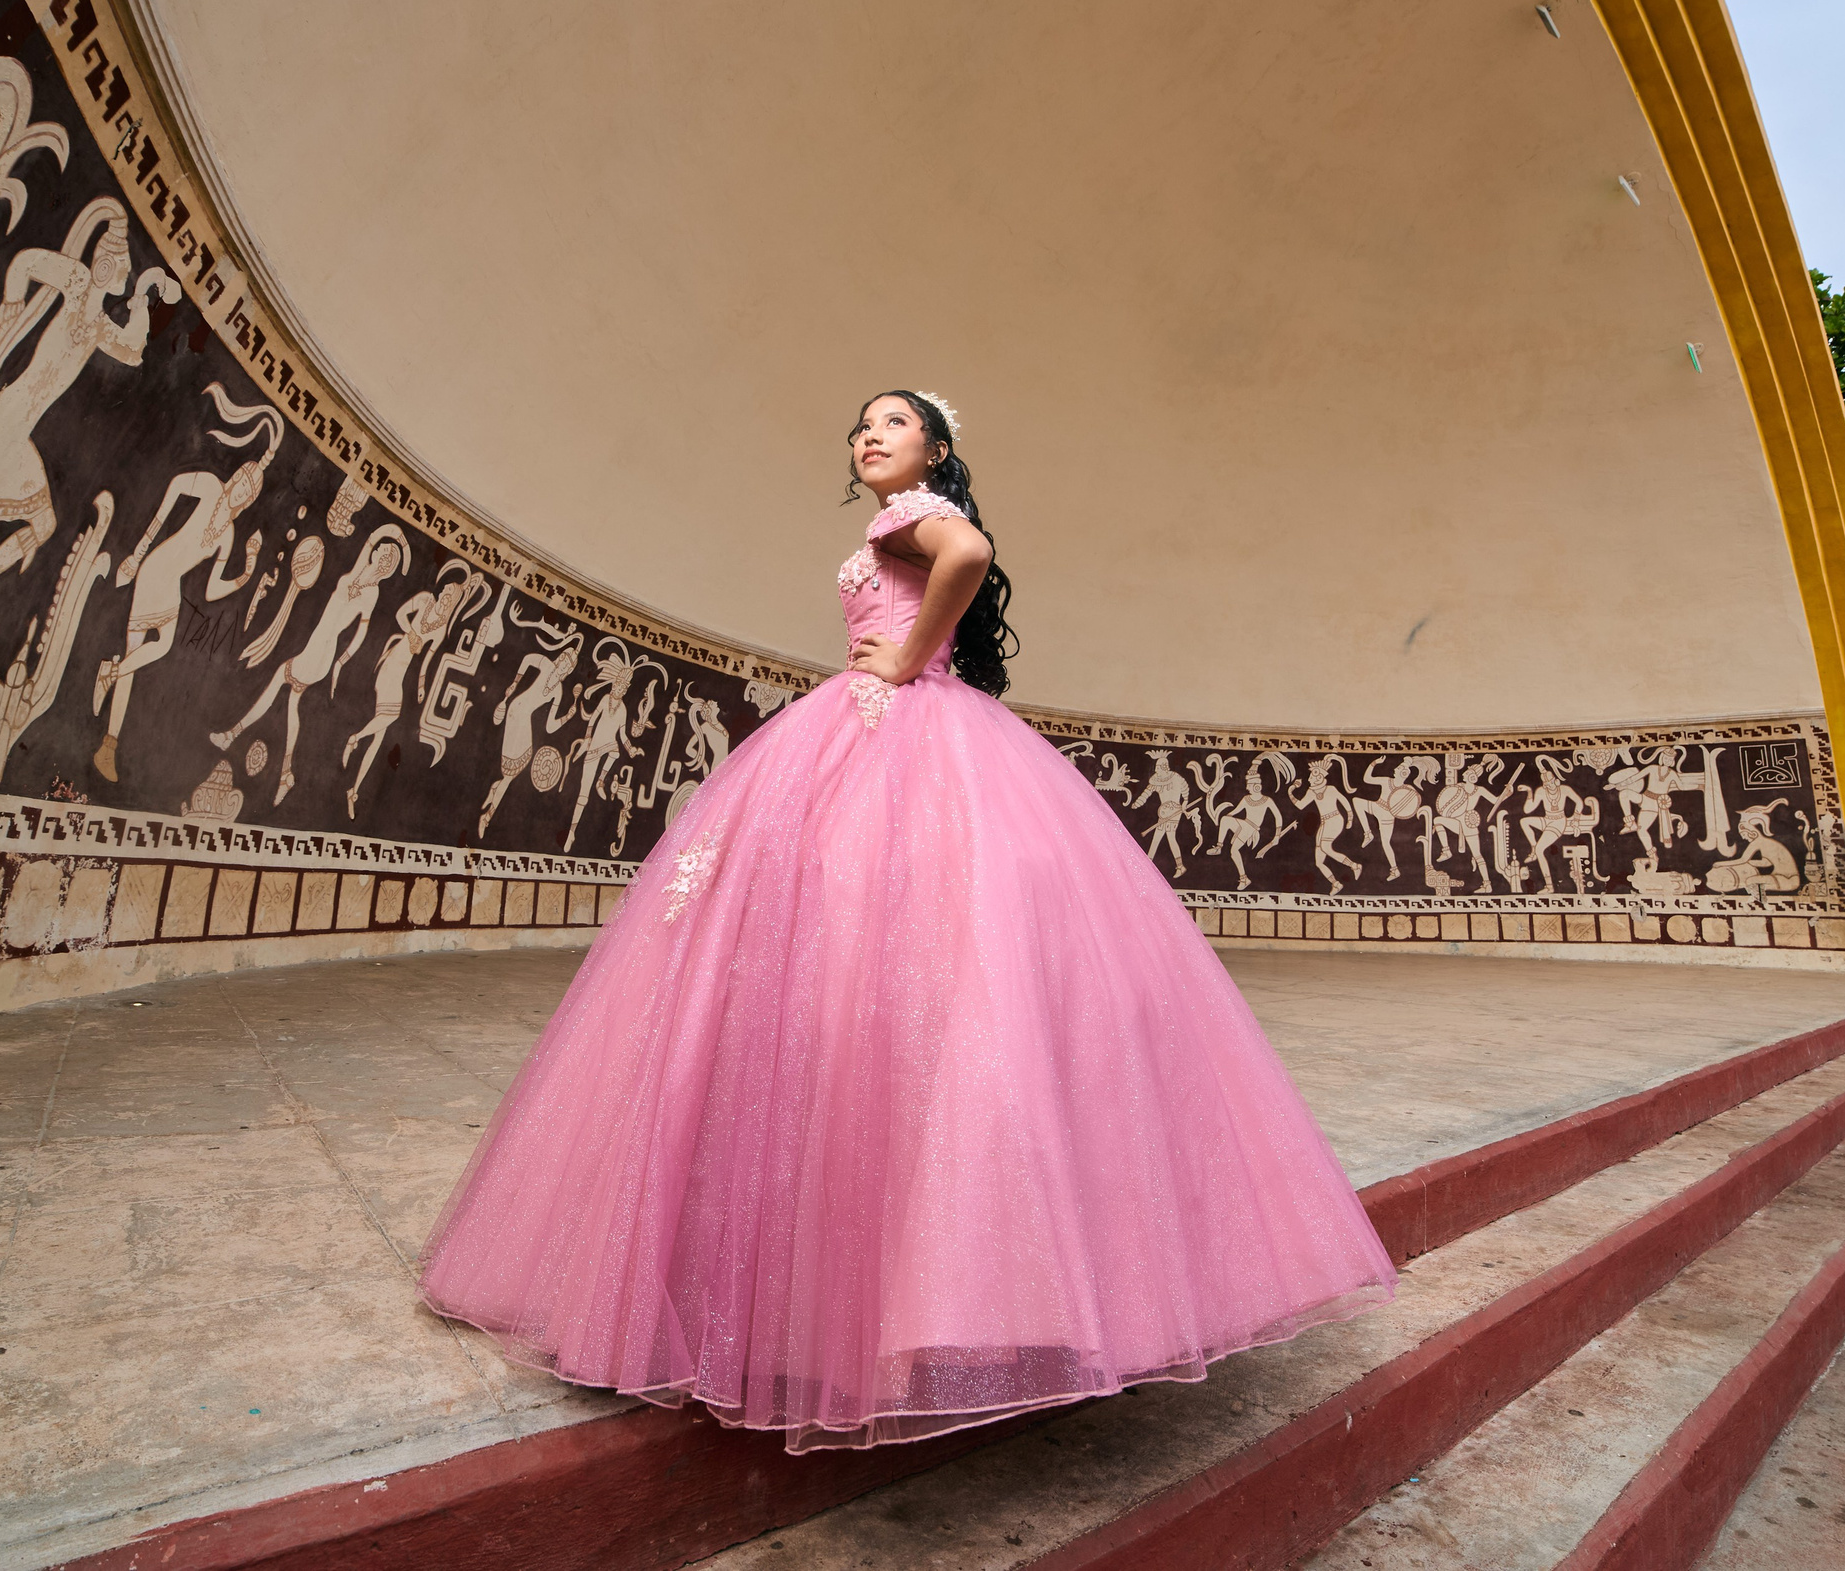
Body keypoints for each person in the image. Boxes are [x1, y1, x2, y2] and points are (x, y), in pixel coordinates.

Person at [420, 391, 1396, 1453]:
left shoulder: (909, 518)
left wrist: (900, 657)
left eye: (894, 422)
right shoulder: (891, 525)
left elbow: (967, 552)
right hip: (900, 734)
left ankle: (826, 1302)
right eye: (860, 427)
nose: (869, 437)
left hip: (890, 728)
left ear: (935, 447)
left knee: (845, 966)